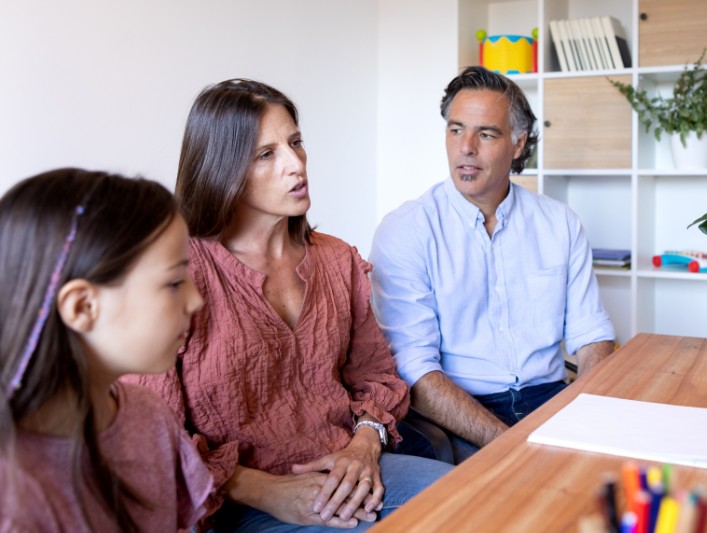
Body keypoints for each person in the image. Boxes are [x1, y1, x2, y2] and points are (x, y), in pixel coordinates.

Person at [129, 78, 451, 532]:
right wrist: (262, 490)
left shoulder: (337, 259)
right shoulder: (177, 271)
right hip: (230, 502)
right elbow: (148, 433)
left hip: (349, 471)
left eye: (296, 143)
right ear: (222, 167)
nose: (295, 163)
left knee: (480, 499)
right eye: (267, 154)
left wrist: (364, 443)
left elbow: (376, 377)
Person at [369, 66, 616, 463]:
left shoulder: (560, 223)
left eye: (486, 133)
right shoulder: (406, 230)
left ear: (518, 144)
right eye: (455, 129)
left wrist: (583, 412)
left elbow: (591, 333)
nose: (466, 147)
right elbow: (414, 369)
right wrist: (513, 442)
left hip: (551, 398)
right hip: (459, 414)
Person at [0, 168, 213, 531]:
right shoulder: (13, 494)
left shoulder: (151, 420)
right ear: (83, 307)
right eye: (175, 282)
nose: (196, 301)